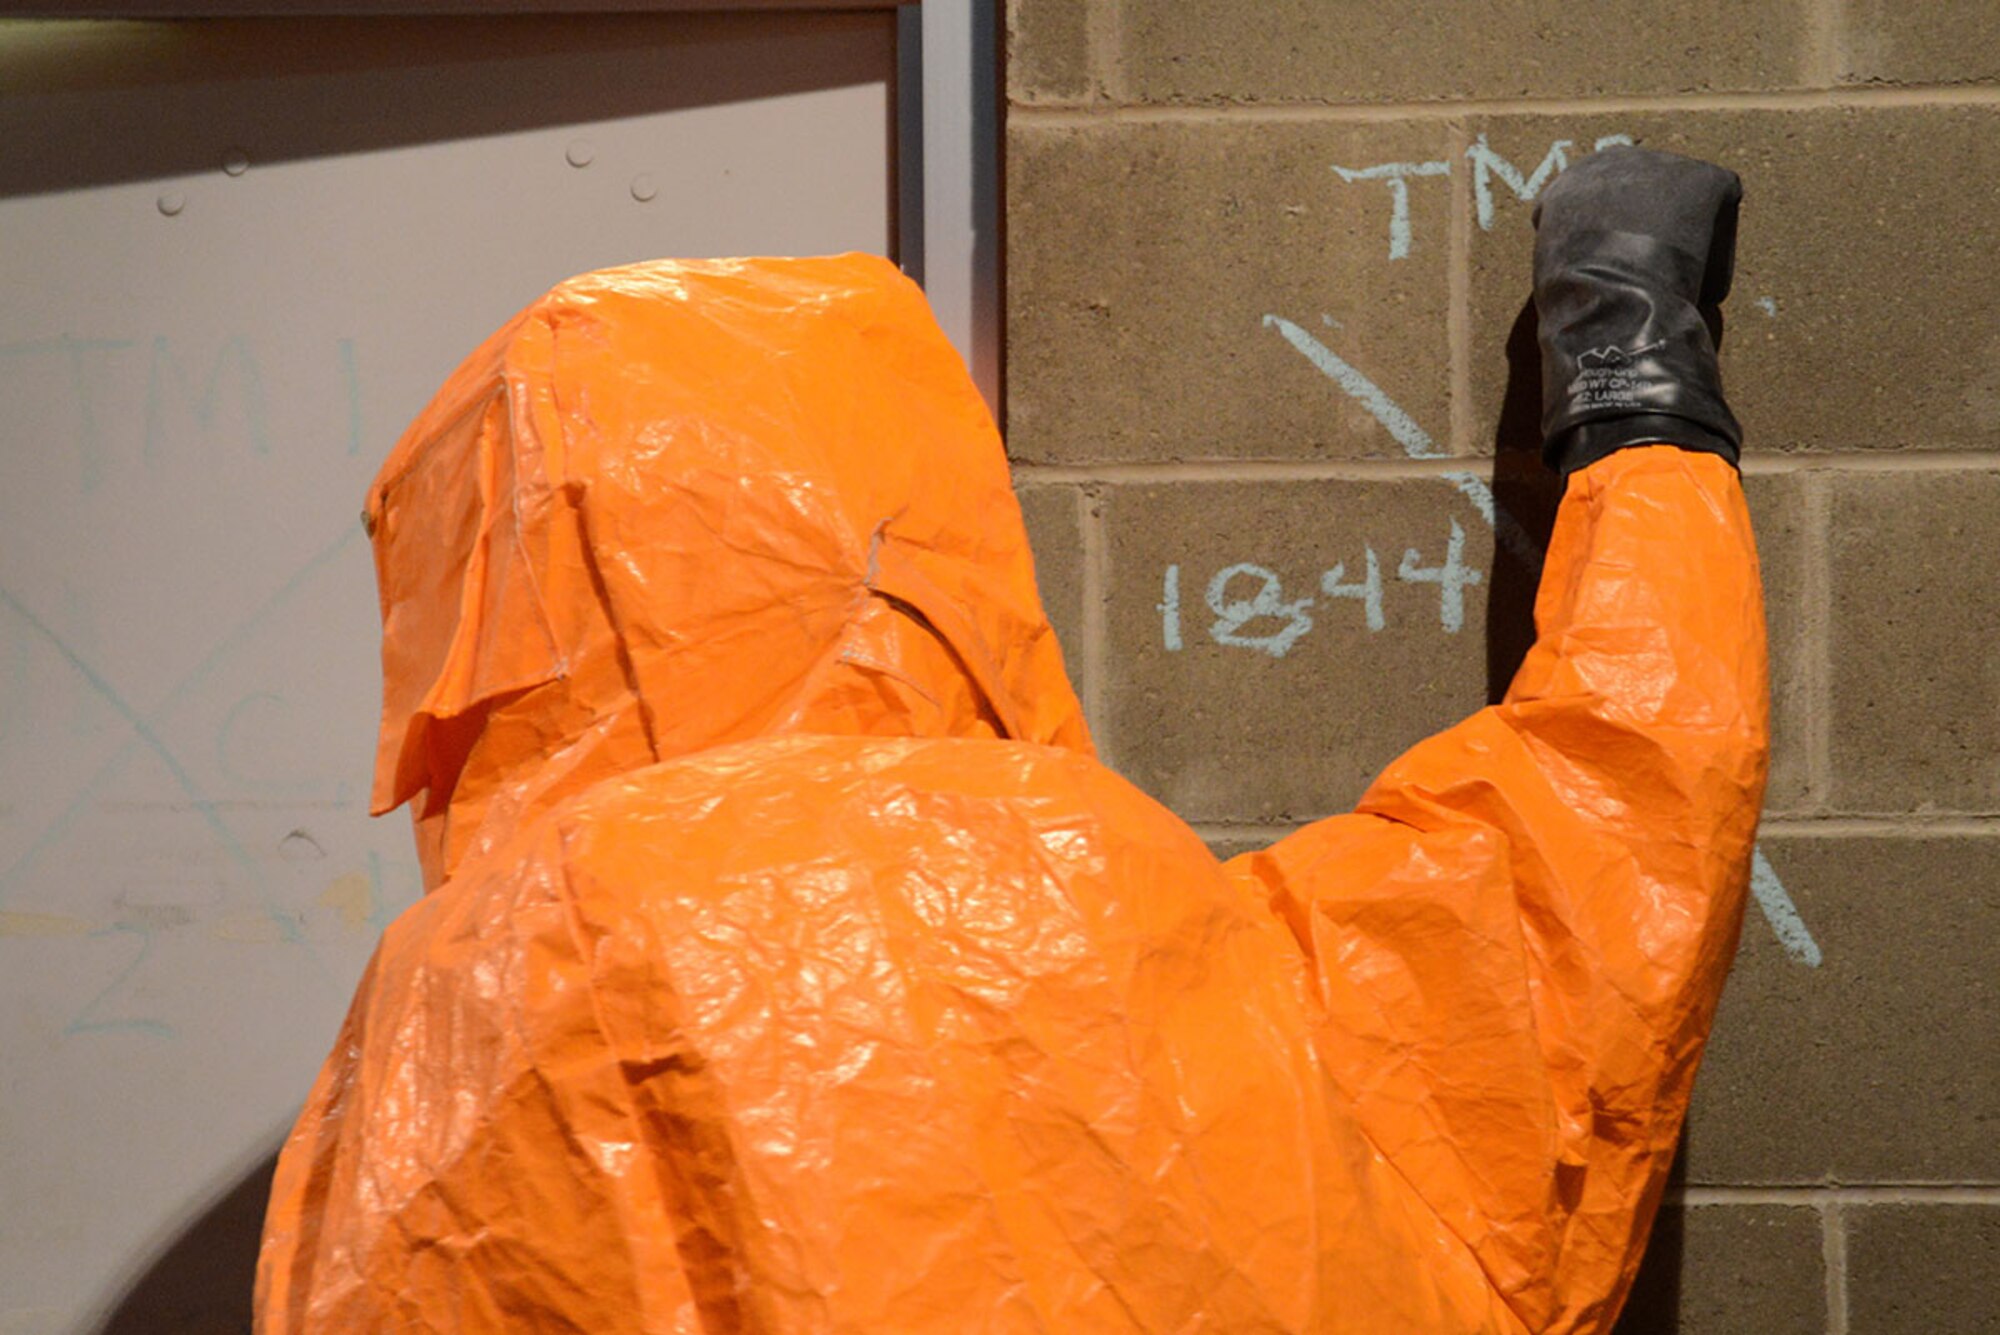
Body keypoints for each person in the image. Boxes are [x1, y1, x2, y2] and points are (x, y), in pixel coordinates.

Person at [257, 146, 1765, 1333]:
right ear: (920, 521)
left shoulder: (458, 998)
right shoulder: (1086, 885)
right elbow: (1596, 851)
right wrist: (1641, 403)